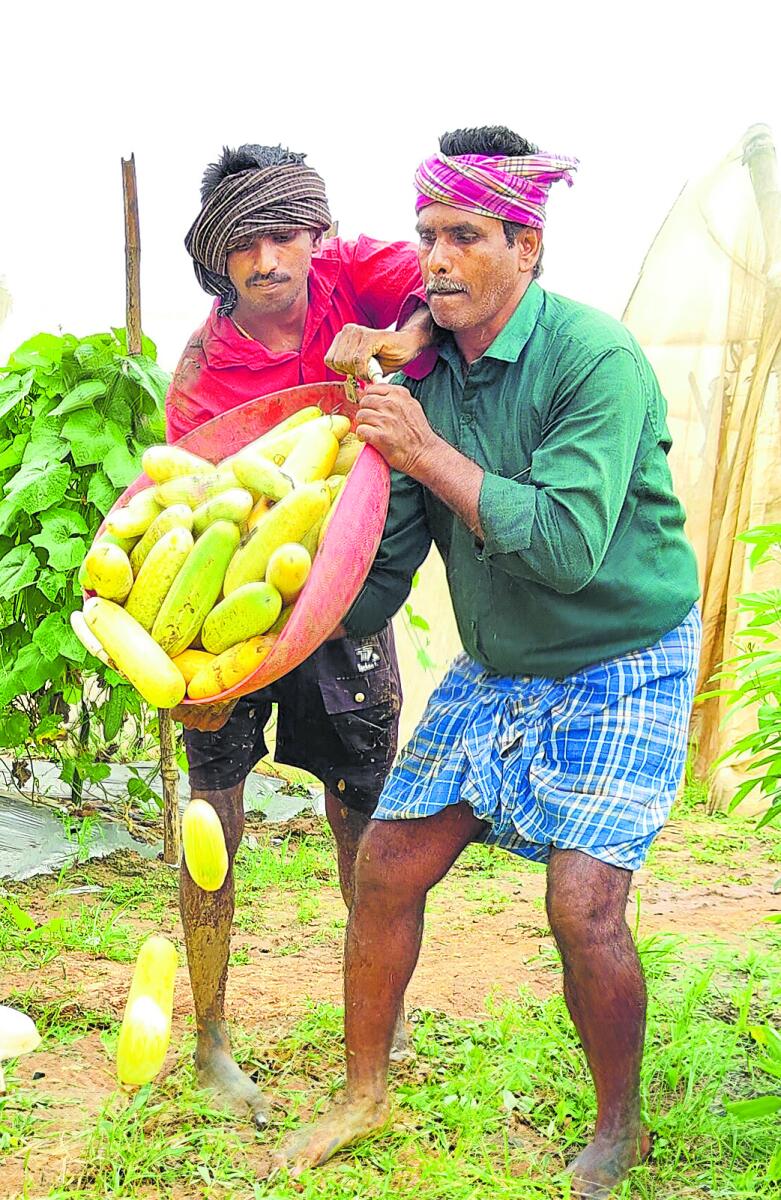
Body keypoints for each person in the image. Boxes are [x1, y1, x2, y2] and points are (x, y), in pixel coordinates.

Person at [278, 126, 702, 1199]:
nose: (435, 260)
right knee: (385, 868)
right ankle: (364, 1093)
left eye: (466, 236)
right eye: (426, 236)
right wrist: (276, 623)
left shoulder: (593, 360)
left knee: (582, 905)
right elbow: (383, 576)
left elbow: (563, 545)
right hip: (503, 659)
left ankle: (619, 1126)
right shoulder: (429, 374)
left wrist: (420, 445)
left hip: (621, 652)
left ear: (529, 247)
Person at [169, 143, 435, 1127]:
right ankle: (210, 1042)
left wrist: (394, 341)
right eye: (244, 244)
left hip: (350, 595)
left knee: (361, 813)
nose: (267, 258)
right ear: (219, 260)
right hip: (238, 609)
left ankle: (382, 1015)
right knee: (213, 826)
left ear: (315, 235)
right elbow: (192, 512)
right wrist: (192, 653)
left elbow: (449, 292)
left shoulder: (356, 273)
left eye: (282, 234)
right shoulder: (204, 372)